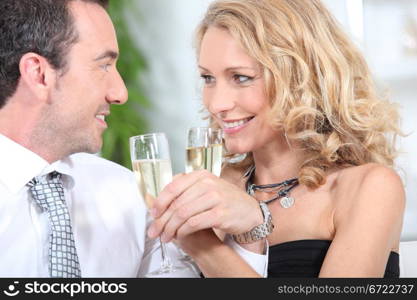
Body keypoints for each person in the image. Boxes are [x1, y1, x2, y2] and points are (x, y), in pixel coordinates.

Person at [0, 0, 267, 277]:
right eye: (104, 66)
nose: (120, 94)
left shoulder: (128, 194)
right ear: (38, 74)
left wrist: (252, 232)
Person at [148, 0, 405, 277]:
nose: (217, 104)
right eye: (208, 78)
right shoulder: (216, 186)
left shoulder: (368, 188)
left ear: (301, 79)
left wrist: (202, 245)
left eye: (241, 77)